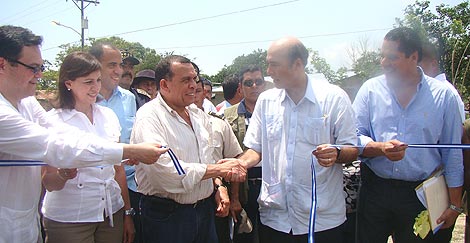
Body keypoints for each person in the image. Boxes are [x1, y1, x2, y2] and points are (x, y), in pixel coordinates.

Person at [0, 25, 166, 243]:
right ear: (2, 64)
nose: (39, 75)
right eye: (32, 68)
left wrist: (120, 155)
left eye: (41, 67)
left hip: (26, 224)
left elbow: (70, 138)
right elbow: (57, 144)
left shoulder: (27, 103)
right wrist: (127, 149)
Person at [220, 37, 358, 243]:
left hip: (321, 217)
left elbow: (352, 148)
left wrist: (337, 154)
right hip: (276, 217)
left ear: (298, 64)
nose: (269, 71)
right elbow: (256, 148)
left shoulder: (333, 98)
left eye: (274, 64)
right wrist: (241, 162)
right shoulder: (267, 102)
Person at [353, 27, 463, 243]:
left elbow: (453, 153)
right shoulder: (370, 90)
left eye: (392, 57)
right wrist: (380, 148)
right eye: (382, 55)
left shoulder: (443, 96)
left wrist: (454, 204)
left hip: (420, 195)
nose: (384, 62)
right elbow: (354, 136)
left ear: (414, 57)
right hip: (375, 190)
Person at [130, 55, 247, 243]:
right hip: (168, 218)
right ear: (165, 85)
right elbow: (166, 173)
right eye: (186, 80)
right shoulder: (150, 117)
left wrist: (218, 186)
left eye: (195, 78)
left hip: (204, 212)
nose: (193, 85)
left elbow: (205, 159)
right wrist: (219, 170)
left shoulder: (197, 115)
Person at [41, 52, 134, 243]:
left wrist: (127, 212)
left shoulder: (108, 116)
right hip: (70, 219)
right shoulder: (52, 121)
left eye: (98, 80)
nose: (95, 88)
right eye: (88, 82)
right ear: (68, 83)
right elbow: (48, 182)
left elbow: (118, 171)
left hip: (110, 214)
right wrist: (63, 174)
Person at [89, 43, 145, 243]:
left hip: (131, 186)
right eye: (112, 64)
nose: (119, 71)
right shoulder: (82, 100)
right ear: (94, 65)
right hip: (94, 191)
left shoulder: (129, 99)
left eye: (120, 65)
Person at [194, 71, 244, 243]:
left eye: (198, 91)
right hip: (183, 202)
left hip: (218, 198)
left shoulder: (219, 124)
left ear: (205, 95)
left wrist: (235, 198)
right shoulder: (168, 125)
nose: (193, 95)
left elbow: (235, 161)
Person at [224, 64, 266, 243]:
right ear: (240, 87)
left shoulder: (274, 111)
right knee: (245, 235)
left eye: (259, 81)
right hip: (243, 187)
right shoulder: (227, 116)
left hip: (270, 184)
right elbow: (230, 157)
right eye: (249, 83)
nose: (254, 86)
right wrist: (234, 197)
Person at [419, 41, 465, 123]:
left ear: (433, 64)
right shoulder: (424, 91)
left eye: (418, 65)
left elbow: (456, 133)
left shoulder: (446, 94)